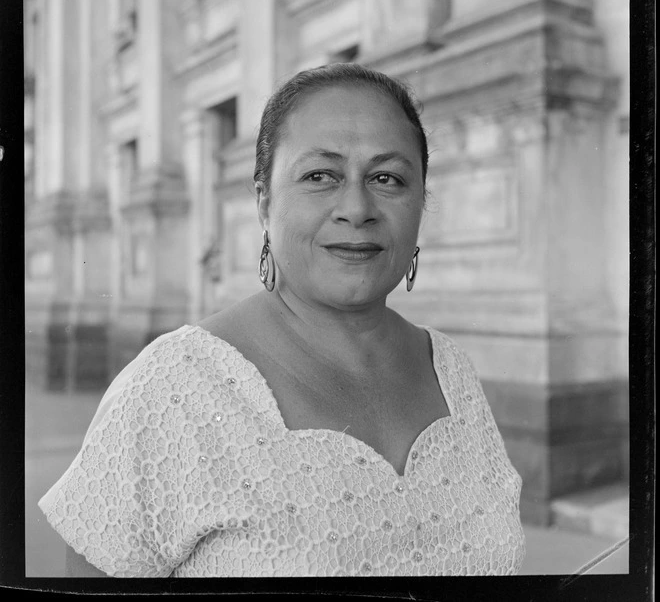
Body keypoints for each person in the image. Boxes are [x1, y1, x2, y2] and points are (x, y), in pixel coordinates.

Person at [39, 63, 526, 577]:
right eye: (320, 176)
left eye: (388, 178)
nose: (357, 208)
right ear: (264, 202)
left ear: (420, 204)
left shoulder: (452, 371)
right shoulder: (171, 389)